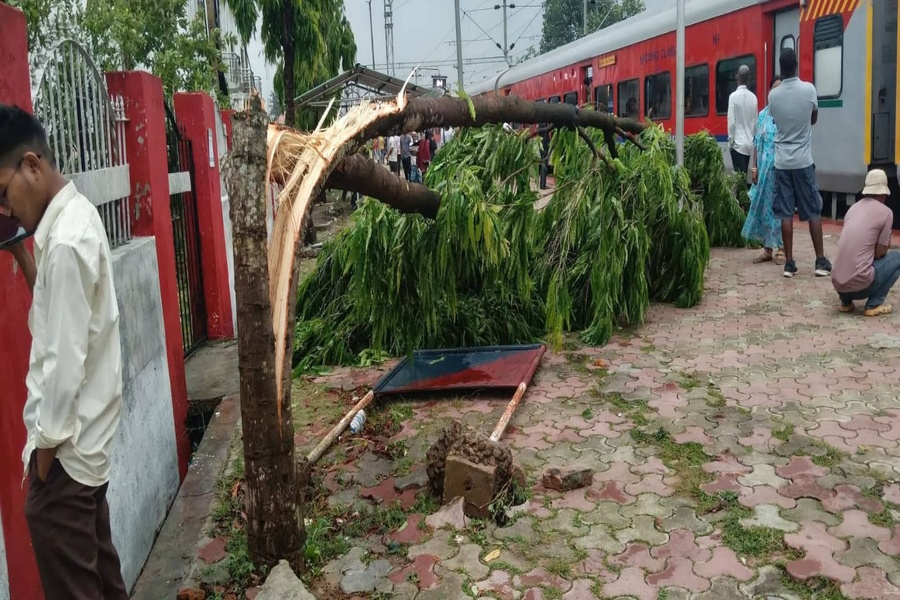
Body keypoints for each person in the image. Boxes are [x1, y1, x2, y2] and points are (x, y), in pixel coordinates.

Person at [0, 104, 128, 598]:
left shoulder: (66, 240)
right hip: (83, 454)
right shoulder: (71, 221)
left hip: (66, 457)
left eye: (1, 193)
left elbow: (63, 363)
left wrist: (44, 458)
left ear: (32, 165)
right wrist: (20, 252)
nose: (4, 209)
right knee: (103, 581)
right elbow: (56, 318)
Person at [768, 47, 831, 278]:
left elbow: (776, 120)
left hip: (782, 162)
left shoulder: (773, 96)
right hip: (803, 161)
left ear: (781, 68)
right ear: (795, 65)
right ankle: (820, 261)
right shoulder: (809, 90)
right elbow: (813, 118)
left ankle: (790, 263)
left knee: (786, 213)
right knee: (813, 210)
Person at [831, 169, 898, 316]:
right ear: (884, 193)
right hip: (860, 284)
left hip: (838, 284)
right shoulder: (886, 212)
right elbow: (880, 253)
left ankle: (846, 302)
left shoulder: (853, 209)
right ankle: (874, 304)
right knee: (897, 258)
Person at [742, 75, 785, 265]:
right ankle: (767, 248)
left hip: (781, 170)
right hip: (765, 172)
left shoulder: (786, 114)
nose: (777, 92)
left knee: (782, 209)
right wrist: (754, 168)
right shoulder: (762, 116)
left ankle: (782, 248)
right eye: (774, 89)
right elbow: (757, 144)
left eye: (780, 89)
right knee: (764, 209)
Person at [727, 64, 757, 176]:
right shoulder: (753, 98)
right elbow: (755, 123)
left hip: (737, 145)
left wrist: (731, 142)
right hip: (749, 144)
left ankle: (742, 194)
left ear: (737, 77)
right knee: (743, 175)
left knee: (739, 178)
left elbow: (731, 123)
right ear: (748, 78)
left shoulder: (733, 97)